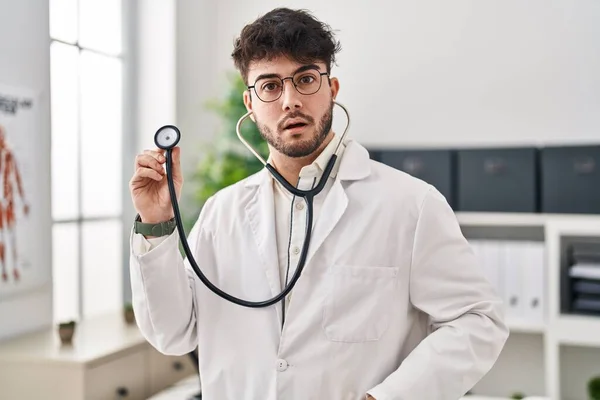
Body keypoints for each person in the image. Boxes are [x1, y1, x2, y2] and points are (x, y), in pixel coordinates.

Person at [129, 7, 509, 399]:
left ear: (333, 89)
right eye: (270, 86)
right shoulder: (221, 213)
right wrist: (155, 221)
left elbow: (478, 321)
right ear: (249, 103)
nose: (290, 100)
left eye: (306, 79)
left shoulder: (410, 205)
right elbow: (172, 334)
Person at [0, 124, 29, 282]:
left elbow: (17, 177)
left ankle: (15, 267)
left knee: (12, 235)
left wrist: (23, 200)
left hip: (8, 201)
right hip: (0, 204)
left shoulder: (9, 155)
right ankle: (4, 269)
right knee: (2, 237)